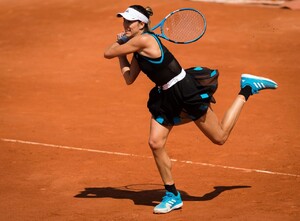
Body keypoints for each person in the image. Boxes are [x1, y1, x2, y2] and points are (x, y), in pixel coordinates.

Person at [104, 5, 278, 214]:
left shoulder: (144, 40)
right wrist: (122, 52)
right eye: (124, 20)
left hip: (184, 92)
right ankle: (172, 194)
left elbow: (108, 52)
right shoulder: (136, 47)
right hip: (165, 96)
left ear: (142, 24)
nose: (125, 25)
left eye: (129, 21)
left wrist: (120, 43)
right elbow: (129, 78)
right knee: (155, 142)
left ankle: (246, 90)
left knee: (220, 137)